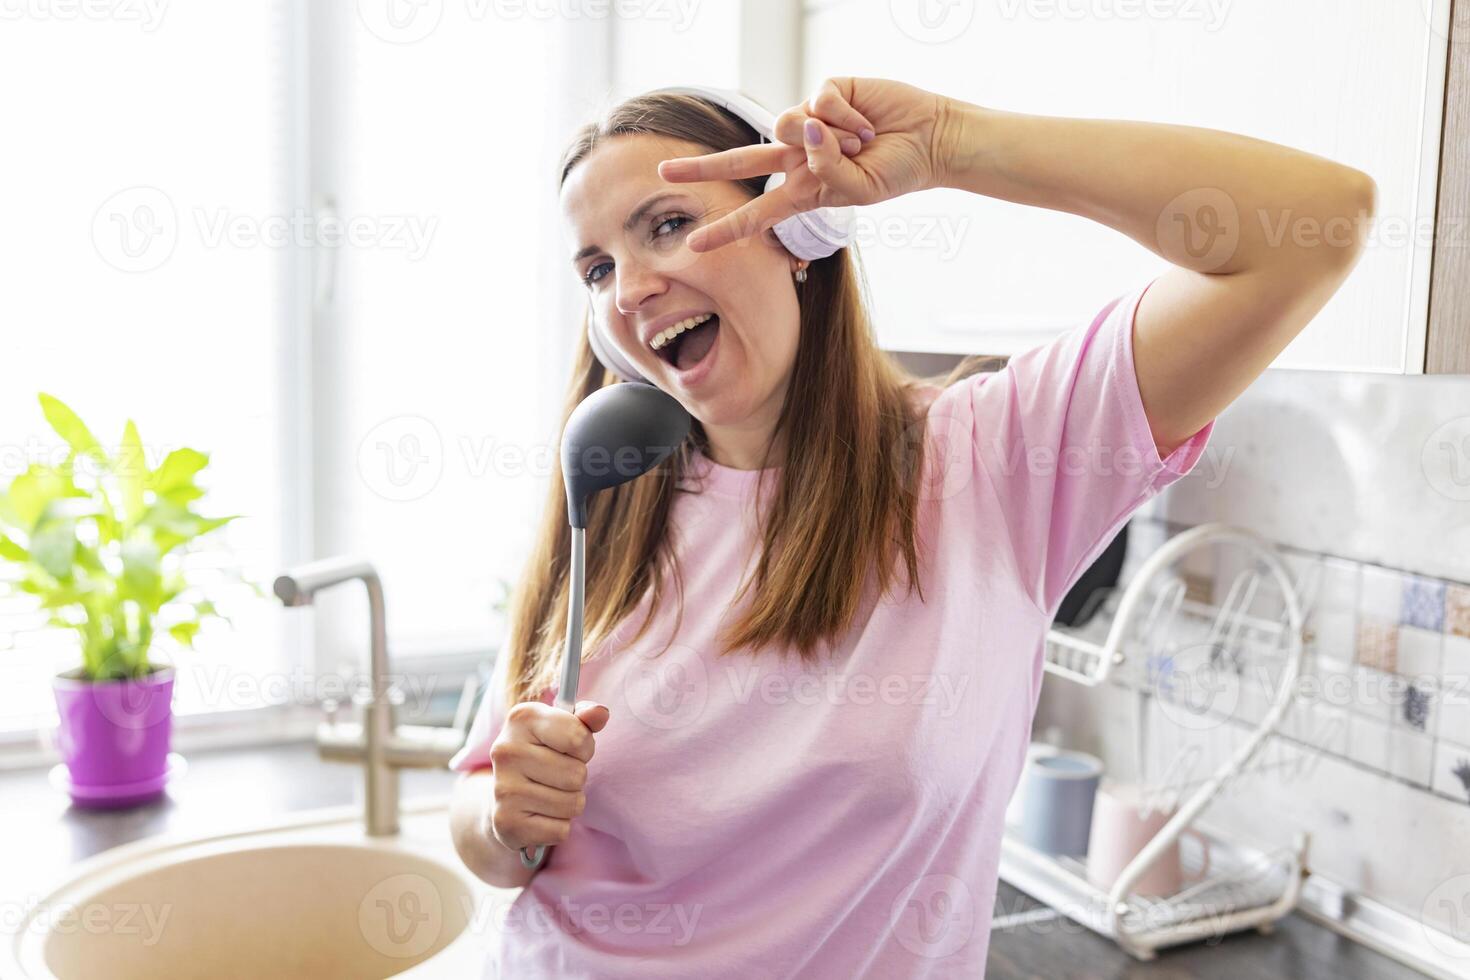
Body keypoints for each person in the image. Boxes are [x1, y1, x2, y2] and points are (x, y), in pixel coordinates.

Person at [448, 77, 1375, 977]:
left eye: (670, 224)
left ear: (797, 233)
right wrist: (502, 817)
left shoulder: (992, 462)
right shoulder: (610, 489)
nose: (630, 289)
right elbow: (483, 806)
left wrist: (955, 145)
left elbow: (1315, 226)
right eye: (598, 267)